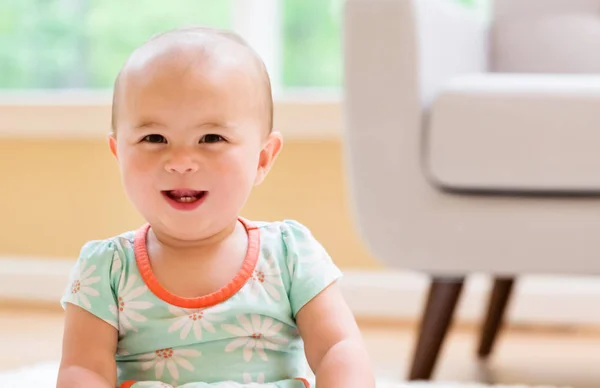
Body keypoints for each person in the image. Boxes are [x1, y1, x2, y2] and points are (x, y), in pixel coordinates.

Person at [56, 26, 375, 388]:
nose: (180, 161)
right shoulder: (107, 269)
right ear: (119, 155)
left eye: (211, 138)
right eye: (154, 138)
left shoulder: (289, 255)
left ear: (262, 158)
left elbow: (339, 347)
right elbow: (83, 370)